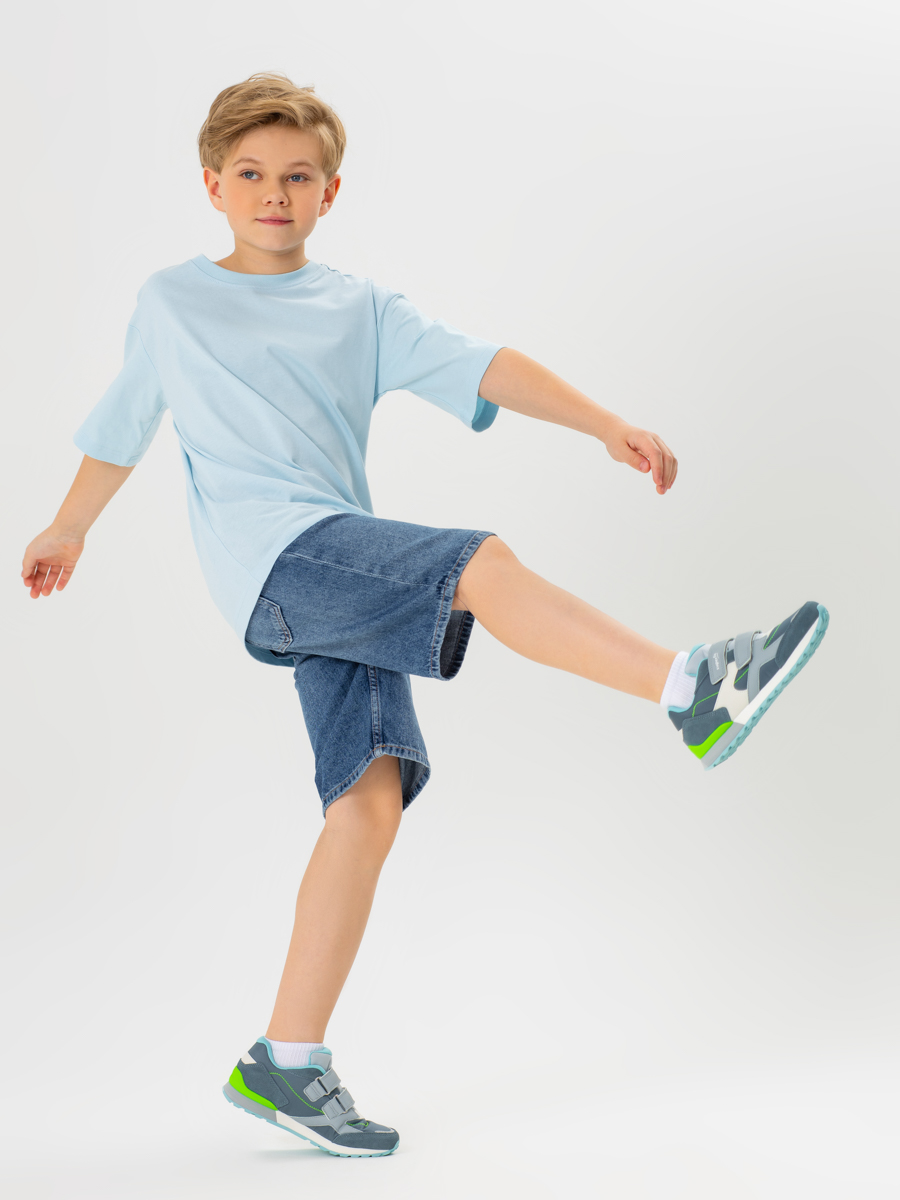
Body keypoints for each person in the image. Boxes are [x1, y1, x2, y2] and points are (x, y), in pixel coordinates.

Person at [20, 73, 828, 1159]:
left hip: (332, 562)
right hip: (276, 563)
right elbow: (122, 425)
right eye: (250, 175)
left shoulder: (359, 308)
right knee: (477, 565)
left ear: (330, 191)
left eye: (296, 176)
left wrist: (603, 423)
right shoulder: (173, 302)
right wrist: (69, 528)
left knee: (370, 802)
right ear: (212, 186)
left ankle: (286, 1060)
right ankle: (691, 688)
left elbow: (483, 365)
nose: (273, 194)